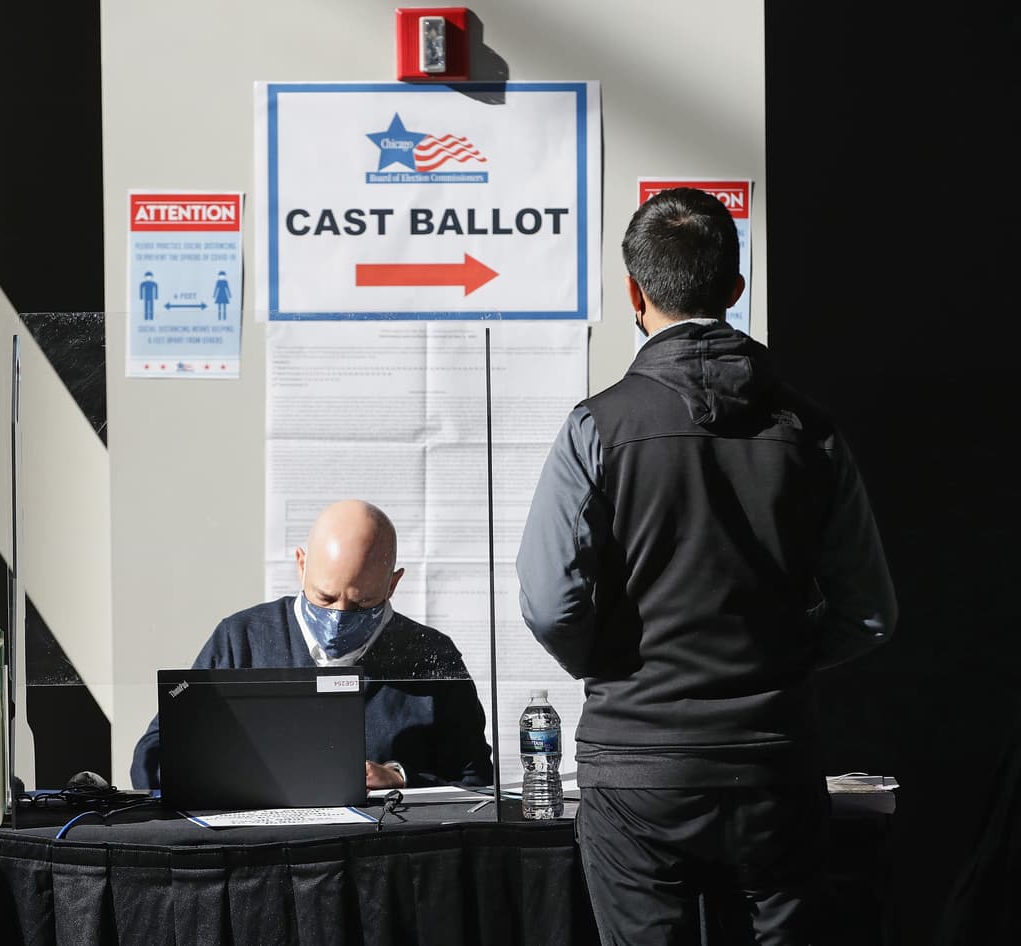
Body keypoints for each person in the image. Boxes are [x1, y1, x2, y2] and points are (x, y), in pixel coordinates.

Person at [516, 187, 897, 945]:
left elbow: (552, 603)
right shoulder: (812, 434)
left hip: (636, 768)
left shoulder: (597, 427)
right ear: (735, 289)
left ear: (634, 291)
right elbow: (870, 613)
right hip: (773, 763)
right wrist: (777, 660)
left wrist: (615, 666)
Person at [131, 499, 494, 791]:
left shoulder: (431, 657)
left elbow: (476, 781)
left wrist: (401, 778)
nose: (339, 617)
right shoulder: (241, 639)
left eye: (363, 603)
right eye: (324, 597)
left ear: (392, 585)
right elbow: (155, 756)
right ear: (301, 564)